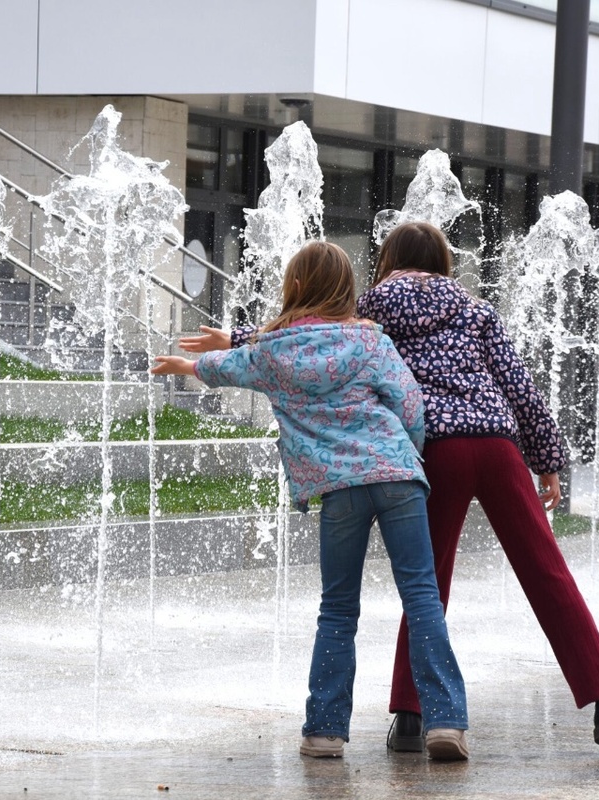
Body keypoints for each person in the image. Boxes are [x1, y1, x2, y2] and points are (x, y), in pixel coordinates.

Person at [184, 222, 599, 756]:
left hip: (435, 448)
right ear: (444, 263)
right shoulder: (476, 311)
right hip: (498, 447)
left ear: (387, 261)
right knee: (547, 571)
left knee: (426, 582)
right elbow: (518, 384)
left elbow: (318, 338)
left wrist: (240, 340)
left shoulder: (374, 304)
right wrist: (547, 458)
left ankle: (411, 716)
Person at [153, 241, 470, 761]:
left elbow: (227, 367)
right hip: (396, 476)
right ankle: (446, 724)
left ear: (294, 287)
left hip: (339, 491)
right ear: (348, 290)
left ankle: (324, 731)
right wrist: (406, 457)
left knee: (339, 608)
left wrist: (187, 368)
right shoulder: (370, 341)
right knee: (421, 596)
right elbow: (411, 406)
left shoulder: (273, 352)